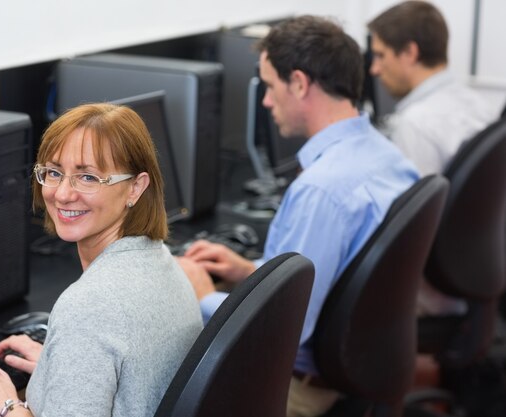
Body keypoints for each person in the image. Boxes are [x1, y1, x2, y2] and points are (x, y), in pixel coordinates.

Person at [177, 16, 419, 417]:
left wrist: (203, 298)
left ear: (301, 84)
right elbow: (334, 271)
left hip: (305, 390)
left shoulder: (320, 191)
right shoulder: (388, 158)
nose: (267, 102)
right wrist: (249, 271)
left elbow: (285, 329)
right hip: (369, 364)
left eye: (271, 87)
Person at [0, 103, 203, 417]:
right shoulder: (161, 261)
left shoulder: (89, 306)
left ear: (136, 187)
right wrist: (63, 366)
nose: (63, 194)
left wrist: (5, 405)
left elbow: (101, 323)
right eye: (53, 173)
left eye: (88, 178)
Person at [367, 0, 500, 316]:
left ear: (410, 53)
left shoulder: (416, 124)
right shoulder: (477, 103)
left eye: (380, 55)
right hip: (479, 271)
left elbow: (411, 230)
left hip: (433, 296)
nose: (374, 68)